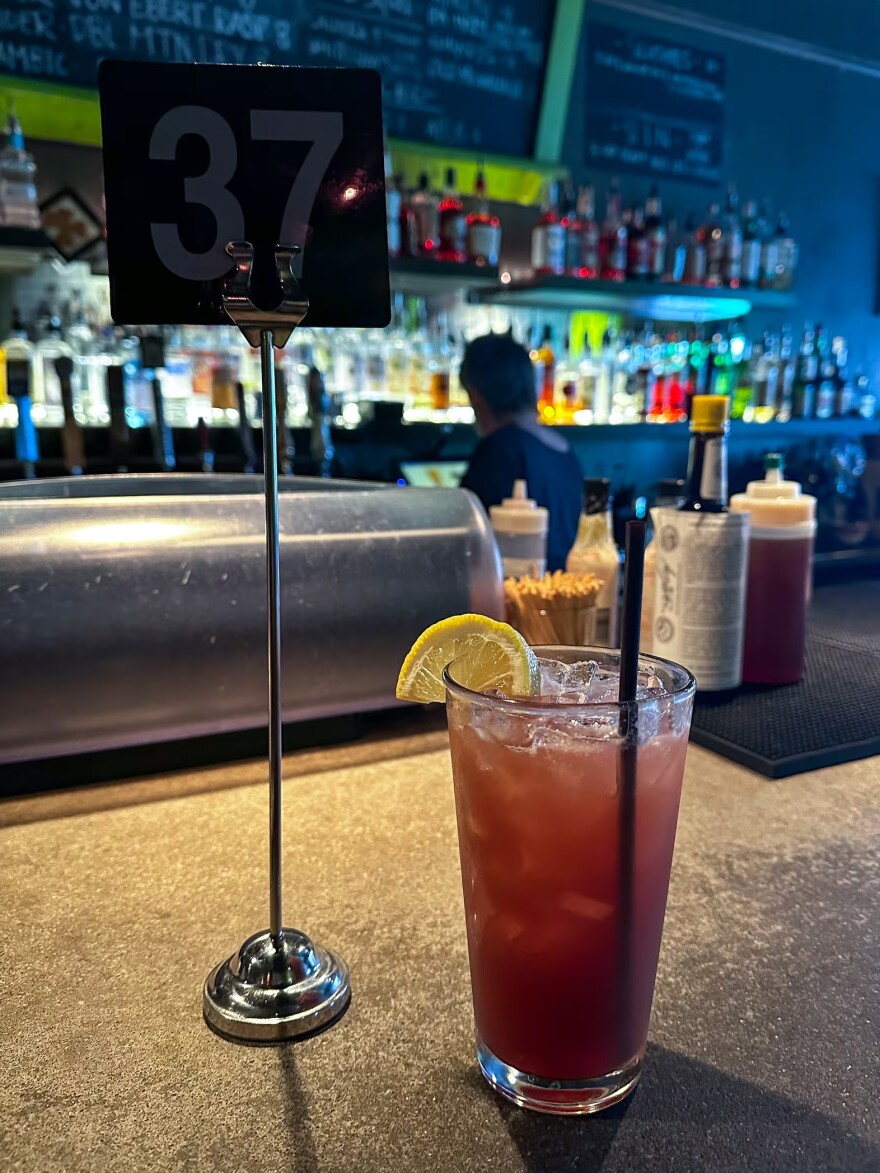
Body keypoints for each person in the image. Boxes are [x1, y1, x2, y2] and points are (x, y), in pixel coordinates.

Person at [459, 332, 584, 571]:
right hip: (564, 593)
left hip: (519, 597)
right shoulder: (563, 450)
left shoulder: (499, 451)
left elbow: (470, 549)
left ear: (476, 395)